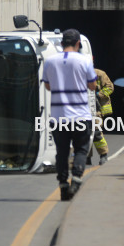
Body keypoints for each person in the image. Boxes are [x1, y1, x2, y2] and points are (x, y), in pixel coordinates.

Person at [42, 29, 97, 201]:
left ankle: (63, 185)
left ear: (61, 44)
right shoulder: (84, 60)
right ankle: (77, 178)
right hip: (81, 116)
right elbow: (93, 86)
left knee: (62, 152)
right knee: (81, 150)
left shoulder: (50, 62)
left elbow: (48, 87)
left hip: (59, 117)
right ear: (78, 43)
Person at [87, 68, 114, 166]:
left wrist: (99, 95)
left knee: (96, 132)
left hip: (96, 110)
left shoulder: (100, 74)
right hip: (82, 109)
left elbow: (110, 87)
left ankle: (103, 155)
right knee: (84, 132)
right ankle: (87, 157)